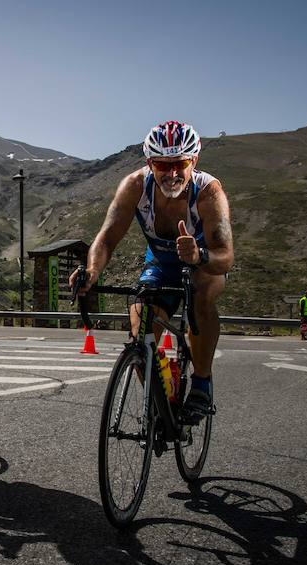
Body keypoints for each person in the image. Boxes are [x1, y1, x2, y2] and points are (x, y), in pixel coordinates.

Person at [70, 121, 234, 424]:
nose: (172, 173)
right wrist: (92, 271)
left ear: (194, 161)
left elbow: (225, 256)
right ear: (150, 163)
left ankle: (201, 383)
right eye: (162, 164)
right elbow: (106, 237)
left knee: (201, 299)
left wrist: (199, 255)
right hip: (160, 262)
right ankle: (163, 397)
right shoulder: (134, 186)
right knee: (139, 332)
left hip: (203, 263)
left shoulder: (209, 191)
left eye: (180, 163)